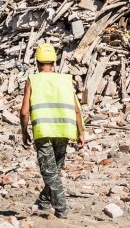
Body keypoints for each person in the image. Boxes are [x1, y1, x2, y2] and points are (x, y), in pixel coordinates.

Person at [20, 43, 85, 219]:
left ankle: (61, 209)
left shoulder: (32, 80)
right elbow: (77, 109)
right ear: (54, 62)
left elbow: (24, 111)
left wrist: (24, 131)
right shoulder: (65, 79)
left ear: (37, 62)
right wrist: (80, 132)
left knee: (49, 172)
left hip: (43, 131)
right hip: (64, 130)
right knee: (54, 170)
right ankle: (42, 202)